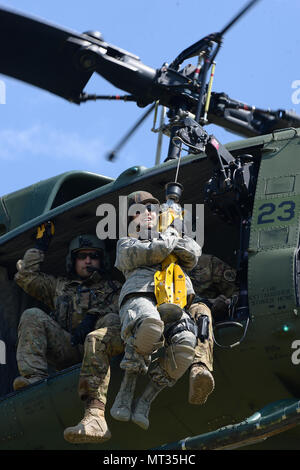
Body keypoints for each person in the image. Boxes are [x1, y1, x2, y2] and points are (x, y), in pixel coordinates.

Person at [14, 226, 122, 443]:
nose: (88, 261)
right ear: (73, 261)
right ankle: (34, 377)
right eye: (82, 257)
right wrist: (39, 247)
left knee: (111, 321)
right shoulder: (60, 287)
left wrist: (93, 316)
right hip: (69, 348)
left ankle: (94, 411)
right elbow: (25, 276)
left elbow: (124, 314)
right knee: (32, 315)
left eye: (94, 256)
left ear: (103, 261)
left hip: (102, 351)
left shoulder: (115, 288)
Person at [110, 190, 201, 430]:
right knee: (150, 326)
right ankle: (126, 390)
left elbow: (192, 254)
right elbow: (155, 251)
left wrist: (171, 228)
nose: (148, 214)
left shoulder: (168, 234)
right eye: (139, 211)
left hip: (174, 302)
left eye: (152, 209)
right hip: (141, 296)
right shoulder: (127, 242)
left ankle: (146, 400)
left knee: (185, 346)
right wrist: (171, 232)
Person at [187, 253, 239, 404]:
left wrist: (224, 303)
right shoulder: (154, 269)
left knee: (202, 313)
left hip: (201, 314)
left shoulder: (206, 263)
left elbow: (235, 291)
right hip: (170, 318)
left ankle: (199, 371)